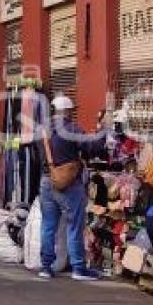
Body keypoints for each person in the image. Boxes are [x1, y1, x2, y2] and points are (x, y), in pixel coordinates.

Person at [38, 94, 106, 281]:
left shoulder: (42, 130)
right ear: (68, 111)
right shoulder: (71, 129)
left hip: (46, 180)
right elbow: (94, 148)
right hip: (68, 183)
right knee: (74, 225)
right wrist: (102, 128)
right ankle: (78, 268)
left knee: (48, 225)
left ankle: (45, 266)